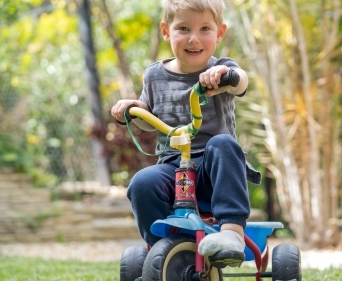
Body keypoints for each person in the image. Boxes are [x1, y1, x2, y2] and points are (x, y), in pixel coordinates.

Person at [110, 0, 261, 268]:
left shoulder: (222, 69)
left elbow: (241, 81)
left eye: (205, 28)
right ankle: (161, 248)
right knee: (142, 182)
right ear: (166, 31)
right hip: (174, 167)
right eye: (183, 28)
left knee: (223, 144)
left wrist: (226, 75)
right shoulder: (154, 75)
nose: (194, 38)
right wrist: (134, 109)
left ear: (220, 32)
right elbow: (150, 119)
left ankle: (232, 234)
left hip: (216, 170)